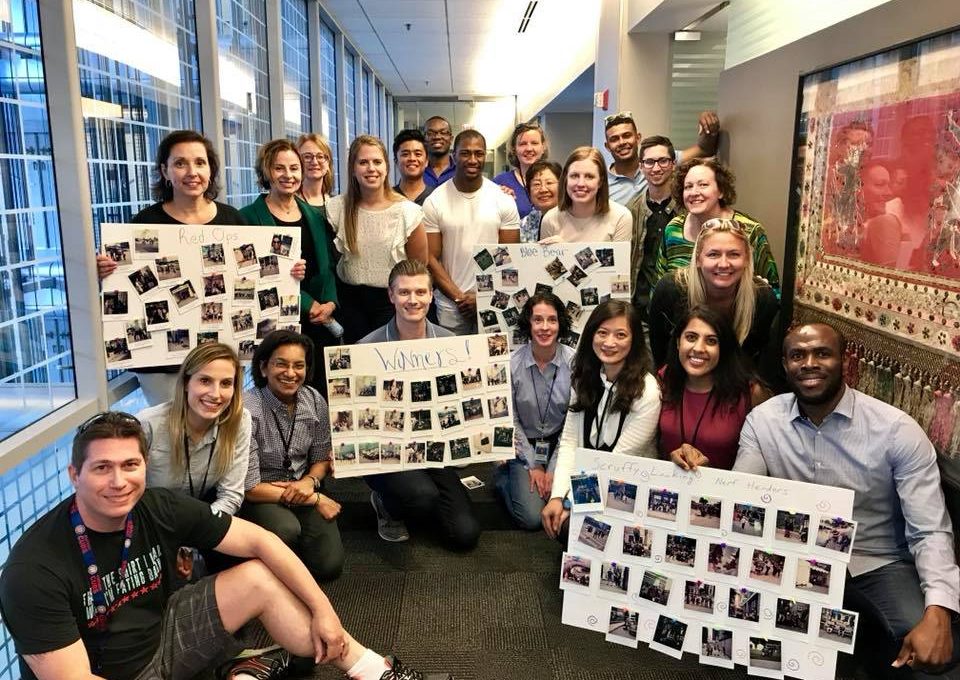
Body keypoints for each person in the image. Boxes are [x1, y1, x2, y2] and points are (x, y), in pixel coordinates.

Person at [0, 412, 448, 680]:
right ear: (74, 475)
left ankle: (370, 668)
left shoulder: (154, 505)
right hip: (107, 673)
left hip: (161, 635)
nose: (119, 481)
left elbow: (261, 539)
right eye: (101, 468)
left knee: (256, 575)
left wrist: (325, 611)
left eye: (130, 464)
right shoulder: (32, 570)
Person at [733, 323, 960, 680]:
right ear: (785, 364)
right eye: (797, 355)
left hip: (877, 561)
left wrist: (940, 609)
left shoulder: (896, 430)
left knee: (932, 659)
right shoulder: (763, 422)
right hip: (796, 560)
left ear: (844, 362)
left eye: (822, 353)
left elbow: (930, 530)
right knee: (758, 650)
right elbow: (742, 498)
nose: (809, 363)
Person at [95, 130, 247, 406]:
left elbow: (251, 279)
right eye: (180, 163)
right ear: (165, 171)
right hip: (161, 362)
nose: (192, 172)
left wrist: (290, 273)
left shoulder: (232, 219)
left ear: (211, 169)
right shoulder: (144, 224)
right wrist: (107, 272)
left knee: (219, 434)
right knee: (170, 437)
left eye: (200, 163)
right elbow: (126, 288)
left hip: (219, 358)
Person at [359, 259, 480, 552]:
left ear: (430, 295)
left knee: (464, 535)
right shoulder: (366, 349)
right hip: (387, 451)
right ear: (391, 295)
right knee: (421, 496)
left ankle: (419, 494)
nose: (412, 300)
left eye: (420, 292)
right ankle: (387, 504)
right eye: (403, 293)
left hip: (434, 448)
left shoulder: (451, 343)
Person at [541, 300, 661, 540]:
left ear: (634, 340)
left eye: (620, 335)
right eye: (602, 333)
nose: (609, 343)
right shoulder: (585, 376)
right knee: (565, 527)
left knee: (574, 528)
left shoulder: (647, 391)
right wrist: (557, 495)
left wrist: (569, 503)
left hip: (629, 489)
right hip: (592, 480)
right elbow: (570, 441)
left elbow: (619, 462)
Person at [242, 330, 344, 582]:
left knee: (329, 567)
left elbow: (321, 456)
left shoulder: (313, 399)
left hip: (304, 484)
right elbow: (250, 488)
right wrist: (315, 498)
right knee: (286, 529)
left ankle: (286, 555)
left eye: (298, 365)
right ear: (264, 368)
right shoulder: (248, 409)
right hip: (263, 495)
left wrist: (309, 483)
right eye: (281, 364)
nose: (290, 373)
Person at [239, 139, 340, 385]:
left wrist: (330, 303)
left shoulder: (315, 215)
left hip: (319, 322)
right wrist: (305, 300)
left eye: (294, 168)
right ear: (266, 172)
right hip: (275, 323)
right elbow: (246, 273)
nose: (288, 175)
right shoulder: (247, 218)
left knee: (319, 393)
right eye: (279, 168)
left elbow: (327, 267)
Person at [648, 218, 779, 383]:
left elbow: (760, 369)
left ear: (747, 259)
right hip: (681, 385)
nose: (723, 264)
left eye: (734, 254)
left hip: (737, 388)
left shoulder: (763, 299)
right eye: (713, 254)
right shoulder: (671, 291)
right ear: (698, 259)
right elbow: (661, 357)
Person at [325, 135, 428, 343]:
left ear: (387, 167)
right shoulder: (337, 209)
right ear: (353, 168)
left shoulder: (408, 212)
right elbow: (332, 260)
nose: (371, 168)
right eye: (363, 162)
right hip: (350, 304)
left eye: (377, 162)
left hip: (392, 305)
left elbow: (419, 266)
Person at [424, 129, 521, 335]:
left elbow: (509, 257)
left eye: (479, 153)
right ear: (454, 157)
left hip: (494, 299)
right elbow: (431, 258)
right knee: (453, 364)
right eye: (465, 153)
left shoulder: (502, 199)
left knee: (493, 362)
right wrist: (459, 297)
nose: (473, 159)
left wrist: (482, 296)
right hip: (451, 304)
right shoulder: (435, 200)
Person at [138, 342, 250, 517]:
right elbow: (129, 494)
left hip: (203, 519)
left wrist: (195, 531)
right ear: (186, 383)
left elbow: (231, 495)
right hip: (151, 519)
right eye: (205, 381)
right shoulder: (148, 424)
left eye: (226, 383)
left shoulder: (239, 420)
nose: (215, 394)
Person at [494, 293, 575, 530]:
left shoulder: (576, 364)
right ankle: (502, 477)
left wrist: (552, 469)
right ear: (528, 324)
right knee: (531, 518)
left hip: (561, 444)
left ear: (561, 324)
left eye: (552, 320)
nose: (545, 327)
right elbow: (510, 419)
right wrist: (533, 465)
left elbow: (573, 423)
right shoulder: (511, 364)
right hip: (523, 445)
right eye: (537, 320)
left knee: (564, 502)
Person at [658, 305, 769, 472]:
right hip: (667, 490)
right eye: (691, 337)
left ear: (723, 349)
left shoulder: (750, 393)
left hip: (726, 493)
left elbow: (768, 459)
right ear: (677, 342)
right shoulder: (664, 379)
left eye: (711, 341)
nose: (698, 348)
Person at [655, 157, 781, 298]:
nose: (694, 192)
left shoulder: (749, 230)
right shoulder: (674, 229)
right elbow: (660, 287)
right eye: (688, 186)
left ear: (720, 191)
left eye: (703, 185)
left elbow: (773, 292)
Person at [604, 110, 720, 205]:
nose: (622, 142)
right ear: (607, 146)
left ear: (638, 138)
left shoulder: (661, 161)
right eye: (614, 139)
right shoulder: (602, 183)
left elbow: (704, 149)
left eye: (627, 135)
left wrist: (706, 123)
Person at [627, 135, 681, 318]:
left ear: (673, 164)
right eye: (649, 162)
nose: (656, 168)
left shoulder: (688, 210)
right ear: (641, 167)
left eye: (663, 161)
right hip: (641, 310)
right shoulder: (630, 212)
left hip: (680, 307)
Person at [538, 146, 631, 243]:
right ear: (566, 179)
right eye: (574, 176)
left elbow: (620, 258)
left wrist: (566, 252)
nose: (581, 183)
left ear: (600, 181)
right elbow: (544, 258)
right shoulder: (550, 219)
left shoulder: (621, 217)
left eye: (589, 177)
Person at [493, 121, 548, 218]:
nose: (529, 148)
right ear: (514, 149)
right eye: (523, 144)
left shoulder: (556, 180)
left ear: (543, 147)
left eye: (534, 143)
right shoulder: (500, 183)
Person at [519, 159, 562, 243]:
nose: (543, 189)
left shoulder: (573, 218)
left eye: (549, 183)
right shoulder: (526, 223)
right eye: (536, 184)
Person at [393, 128, 434, 205]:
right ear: (396, 161)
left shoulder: (436, 197)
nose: (412, 158)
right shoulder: (386, 198)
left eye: (418, 154)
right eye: (405, 154)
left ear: (426, 161)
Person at [297, 133, 335, 208]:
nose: (314, 162)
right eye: (307, 157)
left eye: (320, 157)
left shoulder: (336, 204)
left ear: (328, 163)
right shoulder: (290, 203)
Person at [423, 116, 456, 188]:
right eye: (430, 133)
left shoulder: (460, 172)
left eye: (443, 132)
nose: (437, 137)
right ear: (424, 140)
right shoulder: (417, 172)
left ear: (451, 139)